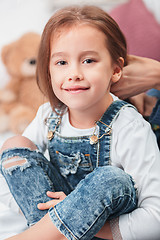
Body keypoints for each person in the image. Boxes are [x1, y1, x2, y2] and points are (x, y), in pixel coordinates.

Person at [0, 5, 160, 240]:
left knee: (110, 178)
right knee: (15, 148)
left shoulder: (129, 126)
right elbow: (12, 183)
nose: (73, 73)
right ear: (49, 70)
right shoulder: (48, 115)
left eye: (88, 60)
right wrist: (63, 212)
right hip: (50, 221)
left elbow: (155, 219)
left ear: (116, 70)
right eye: (61, 63)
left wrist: (79, 220)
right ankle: (47, 232)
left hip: (105, 231)